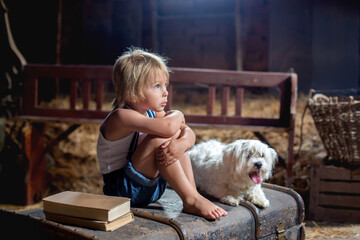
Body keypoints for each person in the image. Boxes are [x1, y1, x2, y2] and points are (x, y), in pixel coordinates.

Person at [96, 48, 227, 220]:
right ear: (132, 93)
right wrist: (179, 113)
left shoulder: (151, 113)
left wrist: (183, 144)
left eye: (165, 85)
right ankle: (191, 199)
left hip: (152, 187)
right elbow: (170, 127)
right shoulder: (120, 117)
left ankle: (193, 194)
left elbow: (187, 132)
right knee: (161, 138)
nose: (166, 92)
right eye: (157, 86)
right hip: (122, 192)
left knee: (174, 138)